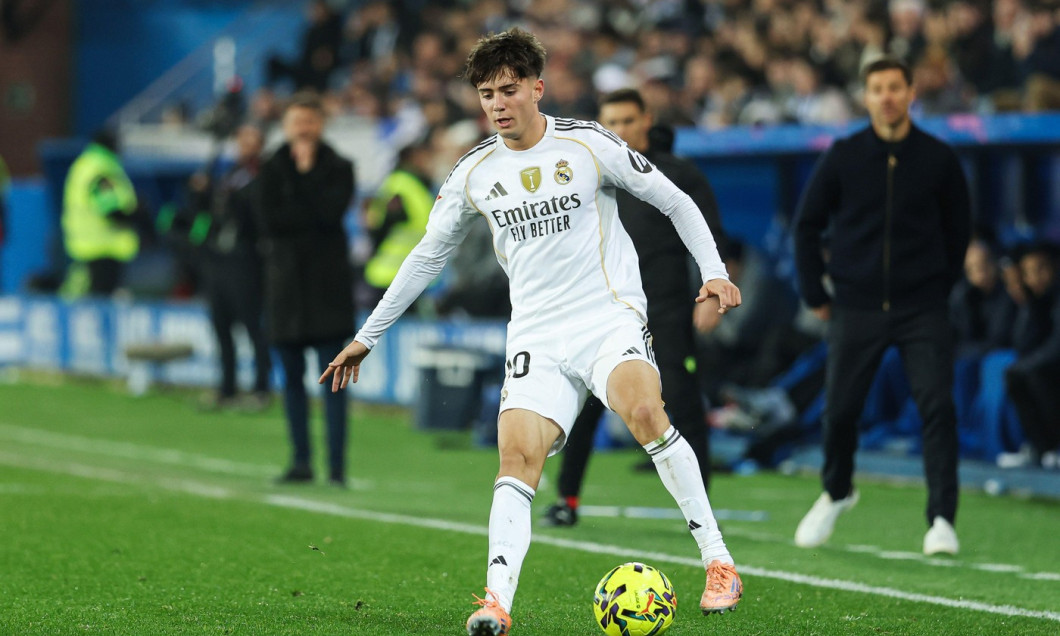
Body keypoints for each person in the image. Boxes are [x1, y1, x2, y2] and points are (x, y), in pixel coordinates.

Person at [319, 28, 744, 636]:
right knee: (517, 457)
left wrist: (714, 273)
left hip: (608, 317)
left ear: (537, 89)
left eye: (508, 90)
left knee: (644, 410)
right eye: (486, 93)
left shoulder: (588, 143)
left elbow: (674, 200)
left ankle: (718, 564)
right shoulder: (473, 172)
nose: (495, 103)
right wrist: (370, 334)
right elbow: (425, 257)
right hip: (537, 337)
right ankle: (496, 603)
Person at [792, 57, 971, 556]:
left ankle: (941, 520)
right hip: (857, 305)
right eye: (877, 88)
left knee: (938, 408)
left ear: (911, 91)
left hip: (923, 307)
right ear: (866, 96)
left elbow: (959, 230)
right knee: (841, 411)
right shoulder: (844, 155)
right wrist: (815, 294)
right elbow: (807, 227)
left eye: (896, 87)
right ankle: (836, 491)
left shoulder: (939, 158)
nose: (887, 96)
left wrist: (939, 286)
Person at [541, 88, 728, 527]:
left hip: (667, 309)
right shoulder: (588, 173)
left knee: (681, 400)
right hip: (603, 311)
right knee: (586, 406)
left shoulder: (678, 173)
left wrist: (710, 291)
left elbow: (711, 235)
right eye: (612, 123)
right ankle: (567, 499)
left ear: (647, 120)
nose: (620, 131)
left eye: (627, 121)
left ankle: (699, 512)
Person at [258, 92, 356, 486]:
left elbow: (329, 214)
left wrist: (301, 185)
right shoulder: (269, 169)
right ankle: (300, 461)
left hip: (328, 293)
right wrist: (306, 207)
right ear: (286, 125)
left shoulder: (340, 168)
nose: (303, 128)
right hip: (285, 293)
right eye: (297, 120)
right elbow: (270, 221)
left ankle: (336, 468)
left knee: (334, 384)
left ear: (321, 124)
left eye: (310, 121)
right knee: (292, 385)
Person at [195, 124, 273, 410]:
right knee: (221, 325)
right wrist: (203, 193)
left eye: (250, 140)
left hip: (246, 259)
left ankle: (261, 388)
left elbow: (259, 214)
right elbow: (211, 213)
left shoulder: (263, 175)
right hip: (220, 259)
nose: (244, 146)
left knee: (252, 325)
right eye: (241, 140)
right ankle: (226, 387)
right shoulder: (229, 174)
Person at [59, 129, 140, 297]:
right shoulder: (101, 168)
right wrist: (136, 216)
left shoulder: (84, 164)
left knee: (83, 296)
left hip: (85, 242)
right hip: (104, 246)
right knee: (100, 302)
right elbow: (109, 208)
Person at [1004, 242, 1060, 468]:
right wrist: (1026, 302)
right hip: (1048, 366)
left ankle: (1055, 446)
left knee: (1034, 374)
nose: (1036, 277)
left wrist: (1027, 366)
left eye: (1042, 269)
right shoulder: (1036, 301)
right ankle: (1042, 448)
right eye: (1028, 273)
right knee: (1015, 375)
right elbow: (1022, 343)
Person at [361, 140, 435, 306]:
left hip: (409, 273)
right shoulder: (402, 185)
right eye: (425, 158)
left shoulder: (414, 185)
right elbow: (379, 225)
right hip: (391, 274)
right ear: (413, 159)